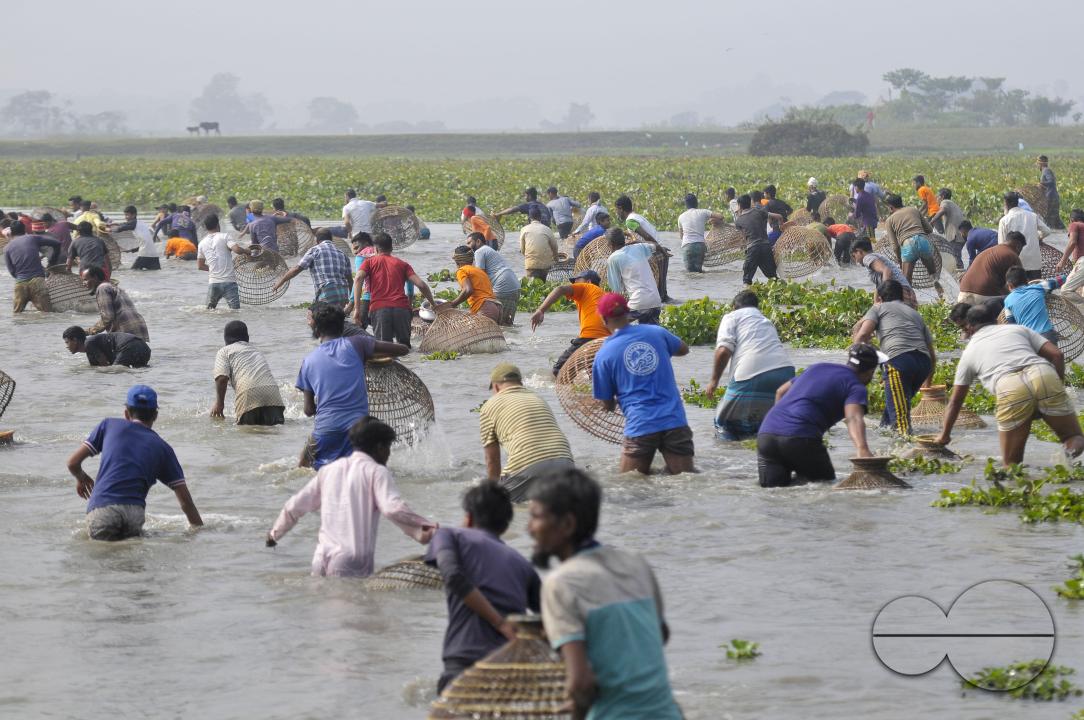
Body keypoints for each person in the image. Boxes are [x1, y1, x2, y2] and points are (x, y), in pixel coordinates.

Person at [528, 468, 682, 720]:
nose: (529, 528)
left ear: (567, 524)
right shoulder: (636, 564)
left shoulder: (560, 583)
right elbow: (660, 634)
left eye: (535, 517)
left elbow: (580, 683)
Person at [266, 417, 436, 576]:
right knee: (359, 606)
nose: (389, 455)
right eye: (388, 448)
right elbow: (392, 509)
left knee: (323, 606)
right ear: (379, 448)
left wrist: (274, 535)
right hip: (351, 561)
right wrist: (427, 528)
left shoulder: (329, 470)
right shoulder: (377, 472)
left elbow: (295, 506)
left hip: (320, 558)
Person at [426, 481, 541, 693]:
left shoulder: (449, 535)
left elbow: (453, 576)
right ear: (505, 526)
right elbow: (549, 619)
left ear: (468, 518)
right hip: (508, 671)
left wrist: (498, 622)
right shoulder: (523, 565)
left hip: (463, 662)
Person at [934, 304, 1084, 465]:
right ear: (996, 320)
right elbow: (1057, 354)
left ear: (969, 327)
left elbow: (956, 401)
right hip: (1043, 373)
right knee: (1073, 438)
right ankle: (1062, 463)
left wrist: (944, 435)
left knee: (1011, 466)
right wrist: (1057, 388)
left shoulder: (970, 352)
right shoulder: (1018, 329)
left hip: (1009, 386)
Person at [66, 385, 203, 540]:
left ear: (126, 413)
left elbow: (72, 463)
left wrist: (82, 478)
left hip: (103, 509)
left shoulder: (108, 425)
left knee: (102, 559)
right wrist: (200, 532)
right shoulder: (163, 447)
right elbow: (186, 501)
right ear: (155, 415)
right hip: (134, 514)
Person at [297, 304, 409, 470]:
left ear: (317, 330)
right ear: (343, 326)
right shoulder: (357, 344)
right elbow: (403, 349)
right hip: (359, 432)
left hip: (326, 431)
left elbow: (308, 410)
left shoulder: (308, 361)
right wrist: (369, 355)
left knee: (305, 467)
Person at [592, 293, 694, 474]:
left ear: (603, 318)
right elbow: (683, 349)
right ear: (628, 313)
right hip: (674, 421)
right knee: (685, 478)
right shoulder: (656, 332)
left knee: (630, 485)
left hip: (640, 425)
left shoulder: (603, 355)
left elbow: (607, 404)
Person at [756, 344, 878, 487]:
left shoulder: (818, 367)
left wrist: (780, 426)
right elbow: (853, 418)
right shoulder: (856, 386)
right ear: (870, 371)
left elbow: (780, 392)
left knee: (773, 492)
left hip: (766, 435)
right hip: (800, 437)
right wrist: (862, 450)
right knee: (824, 486)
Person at [704, 289, 795, 440]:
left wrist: (714, 381)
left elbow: (723, 350)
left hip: (752, 372)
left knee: (724, 423)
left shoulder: (731, 317)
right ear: (757, 307)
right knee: (763, 427)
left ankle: (732, 458)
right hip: (785, 373)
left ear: (734, 307)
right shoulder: (766, 321)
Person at [851, 280, 937, 436]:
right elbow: (932, 355)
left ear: (880, 298)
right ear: (901, 297)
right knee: (892, 413)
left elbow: (863, 334)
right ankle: (884, 442)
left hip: (899, 363)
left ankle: (909, 452)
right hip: (923, 364)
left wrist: (854, 363)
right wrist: (927, 386)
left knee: (901, 424)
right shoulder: (914, 313)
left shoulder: (878, 308)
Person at [479, 363, 574, 501]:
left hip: (528, 464)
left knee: (498, 505)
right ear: (520, 383)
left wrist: (492, 491)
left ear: (496, 386)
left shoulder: (489, 406)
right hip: (566, 463)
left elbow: (492, 460)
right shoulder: (538, 398)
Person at [352, 232, 436, 344]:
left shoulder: (369, 262)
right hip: (402, 309)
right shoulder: (403, 264)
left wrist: (357, 309)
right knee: (405, 348)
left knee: (385, 349)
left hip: (380, 309)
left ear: (375, 249)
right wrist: (433, 304)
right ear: (391, 248)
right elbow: (421, 284)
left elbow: (358, 279)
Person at [531, 269, 610, 376]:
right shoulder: (604, 295)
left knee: (559, 371)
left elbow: (560, 289)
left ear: (589, 281)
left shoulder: (587, 287)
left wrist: (541, 310)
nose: (574, 284)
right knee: (593, 373)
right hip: (607, 341)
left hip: (590, 336)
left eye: (577, 280)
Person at [211, 320, 285, 425]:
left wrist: (219, 404)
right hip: (273, 396)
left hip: (249, 396)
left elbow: (221, 379)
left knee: (247, 436)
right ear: (247, 337)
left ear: (225, 338)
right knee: (272, 435)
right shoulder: (255, 350)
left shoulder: (224, 351)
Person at [613, 195, 671, 301]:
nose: (617, 213)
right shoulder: (636, 216)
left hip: (656, 253)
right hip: (660, 251)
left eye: (617, 210)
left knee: (659, 294)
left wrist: (658, 248)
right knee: (662, 292)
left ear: (621, 208)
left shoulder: (630, 221)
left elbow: (647, 236)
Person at [274, 227, 353, 306]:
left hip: (327, 293)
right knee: (339, 317)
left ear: (316, 240)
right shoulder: (342, 253)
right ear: (331, 239)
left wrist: (281, 281)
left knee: (314, 316)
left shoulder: (315, 250)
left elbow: (297, 269)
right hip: (343, 294)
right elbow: (350, 280)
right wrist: (352, 301)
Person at [605, 227, 663, 324]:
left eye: (607, 242)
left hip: (639, 303)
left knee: (613, 324)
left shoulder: (613, 258)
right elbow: (656, 246)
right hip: (655, 300)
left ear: (611, 244)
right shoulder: (638, 247)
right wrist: (636, 240)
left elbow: (616, 289)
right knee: (651, 335)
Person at [197, 214, 253, 310]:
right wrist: (247, 251)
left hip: (213, 283)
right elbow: (237, 250)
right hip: (229, 283)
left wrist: (214, 269)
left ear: (206, 227)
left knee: (209, 310)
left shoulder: (202, 243)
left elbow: (200, 266)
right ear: (218, 225)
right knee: (235, 311)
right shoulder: (225, 236)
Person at [466, 231, 520, 326]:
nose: (468, 246)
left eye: (469, 243)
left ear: (478, 241)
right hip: (514, 285)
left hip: (502, 284)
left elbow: (480, 275)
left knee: (495, 324)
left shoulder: (479, 251)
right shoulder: (490, 250)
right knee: (507, 324)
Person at [957, 230, 1025, 304]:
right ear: (1018, 246)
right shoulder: (1012, 255)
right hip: (983, 296)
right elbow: (1019, 286)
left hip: (962, 294)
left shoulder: (988, 251)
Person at [5, 221, 60, 313]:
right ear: (25, 230)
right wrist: (52, 261)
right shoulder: (32, 238)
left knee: (17, 314)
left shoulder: (7, 248)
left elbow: (11, 271)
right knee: (47, 313)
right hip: (38, 281)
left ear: (11, 233)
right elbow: (57, 243)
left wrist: (22, 278)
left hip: (20, 284)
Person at [882, 193, 937, 285]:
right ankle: (939, 290)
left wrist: (900, 260)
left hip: (908, 244)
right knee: (933, 274)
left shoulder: (889, 220)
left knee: (906, 281)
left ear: (891, 207)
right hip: (923, 241)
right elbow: (929, 229)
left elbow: (895, 246)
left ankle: (908, 297)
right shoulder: (914, 210)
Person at [82, 266, 150, 340]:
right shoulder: (112, 287)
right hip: (137, 329)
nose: (83, 283)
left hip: (126, 331)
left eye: (85, 280)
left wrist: (88, 332)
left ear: (95, 277)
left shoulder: (102, 288)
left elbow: (108, 318)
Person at [1003, 266, 1067, 343]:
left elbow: (1012, 324)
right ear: (1027, 280)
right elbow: (1062, 278)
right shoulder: (1038, 288)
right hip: (1047, 336)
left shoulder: (1007, 301)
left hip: (1028, 339)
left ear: (1010, 285)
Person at [850, 238, 918, 308]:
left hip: (901, 293)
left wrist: (884, 295)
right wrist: (876, 303)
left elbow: (887, 270)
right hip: (908, 295)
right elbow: (879, 286)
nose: (856, 261)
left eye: (854, 256)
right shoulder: (875, 257)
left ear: (859, 251)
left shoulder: (867, 258)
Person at [998, 191, 1051, 281]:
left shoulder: (1004, 220)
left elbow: (1001, 245)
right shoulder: (1032, 216)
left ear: (1006, 203)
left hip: (1015, 263)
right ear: (1017, 202)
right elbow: (1047, 231)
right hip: (1034, 261)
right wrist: (1037, 237)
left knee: (1018, 290)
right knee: (1035, 290)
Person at [444, 246, 501, 323]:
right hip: (496, 307)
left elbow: (468, 290)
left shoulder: (461, 271)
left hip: (484, 307)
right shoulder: (479, 271)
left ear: (457, 261)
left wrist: (453, 303)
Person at [732, 194, 780, 285]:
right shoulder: (759, 211)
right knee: (773, 277)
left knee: (747, 279)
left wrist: (739, 214)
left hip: (753, 248)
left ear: (739, 206)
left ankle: (747, 294)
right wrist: (781, 226)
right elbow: (778, 216)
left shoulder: (738, 221)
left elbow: (744, 238)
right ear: (750, 203)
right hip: (766, 246)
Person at [677, 193, 727, 273]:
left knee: (689, 273)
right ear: (696, 203)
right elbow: (721, 216)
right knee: (698, 272)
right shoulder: (703, 212)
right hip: (700, 246)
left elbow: (681, 236)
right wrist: (712, 221)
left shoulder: (681, 217)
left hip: (687, 246)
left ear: (686, 204)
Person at [63, 326, 151, 368]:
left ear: (75, 340)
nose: (66, 346)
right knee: (139, 371)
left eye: (67, 342)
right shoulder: (91, 345)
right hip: (143, 347)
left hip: (128, 346)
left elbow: (104, 365)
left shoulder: (88, 343)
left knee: (115, 370)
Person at [110, 205, 160, 271]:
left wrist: (108, 230)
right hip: (154, 255)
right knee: (155, 272)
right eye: (125, 215)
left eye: (127, 215)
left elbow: (120, 229)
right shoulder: (141, 223)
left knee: (133, 272)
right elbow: (146, 243)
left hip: (144, 255)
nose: (126, 217)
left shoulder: (133, 223)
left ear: (134, 215)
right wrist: (131, 250)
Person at [519, 207, 559, 281]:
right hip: (545, 265)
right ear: (540, 217)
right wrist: (556, 259)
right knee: (543, 285)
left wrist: (530, 257)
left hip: (530, 264)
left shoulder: (524, 229)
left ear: (529, 218)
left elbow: (522, 250)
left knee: (531, 286)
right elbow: (555, 247)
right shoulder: (547, 229)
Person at [929, 189, 965, 269]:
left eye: (937, 197)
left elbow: (942, 210)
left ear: (942, 197)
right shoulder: (953, 204)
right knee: (956, 257)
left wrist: (931, 222)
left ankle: (962, 278)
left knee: (956, 259)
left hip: (955, 235)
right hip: (961, 235)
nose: (936, 199)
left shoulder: (945, 202)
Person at [1038, 155, 1064, 229]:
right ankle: (1063, 231)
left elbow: (1051, 181)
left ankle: (1052, 233)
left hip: (1051, 197)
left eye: (1038, 164)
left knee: (1048, 217)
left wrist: (1041, 184)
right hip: (1051, 197)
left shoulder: (1046, 170)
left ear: (1041, 163)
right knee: (1055, 218)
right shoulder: (1044, 171)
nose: (1038, 165)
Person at [1055, 209, 1084, 274]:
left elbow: (1072, 242)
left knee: (1068, 284)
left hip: (1082, 263)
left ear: (1072, 219)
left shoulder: (1074, 224)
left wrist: (1062, 262)